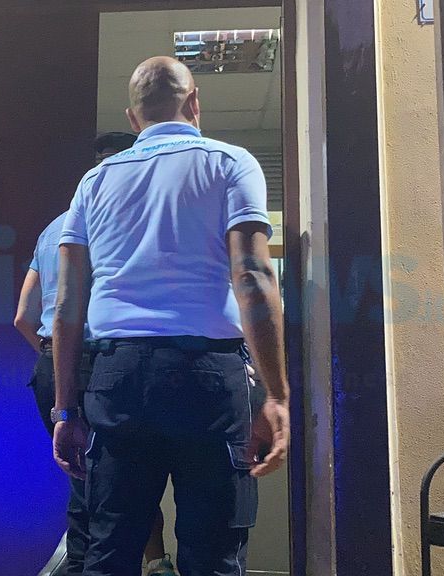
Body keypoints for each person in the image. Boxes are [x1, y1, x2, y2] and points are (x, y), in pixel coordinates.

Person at [51, 56, 289, 576]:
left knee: (111, 547)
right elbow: (252, 277)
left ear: (133, 118)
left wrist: (65, 409)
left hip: (117, 378)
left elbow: (67, 305)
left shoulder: (94, 182)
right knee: (214, 549)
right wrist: (275, 395)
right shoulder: (231, 163)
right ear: (195, 101)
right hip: (208, 378)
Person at [15, 131, 177, 576]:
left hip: (50, 366)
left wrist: (55, 356)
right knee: (120, 487)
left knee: (85, 482)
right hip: (103, 362)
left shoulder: (55, 227)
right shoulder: (126, 222)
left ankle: (87, 564)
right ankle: (150, 563)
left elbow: (23, 316)